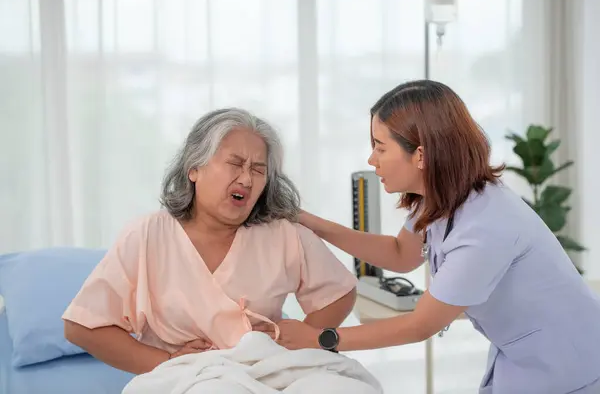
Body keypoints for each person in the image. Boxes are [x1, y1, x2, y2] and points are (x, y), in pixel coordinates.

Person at [256, 80, 600, 394]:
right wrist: (307, 221)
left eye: (380, 146)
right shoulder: (442, 197)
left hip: (567, 364)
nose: (371, 159)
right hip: (524, 354)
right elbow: (400, 254)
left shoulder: (486, 226)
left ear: (420, 154)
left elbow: (420, 325)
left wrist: (321, 339)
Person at [62, 108, 358, 376]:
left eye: (258, 169)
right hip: (187, 379)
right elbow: (83, 326)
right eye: (235, 163)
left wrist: (303, 336)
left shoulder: (282, 233)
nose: (246, 179)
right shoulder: (148, 234)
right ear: (194, 168)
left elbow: (338, 292)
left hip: (270, 372)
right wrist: (166, 361)